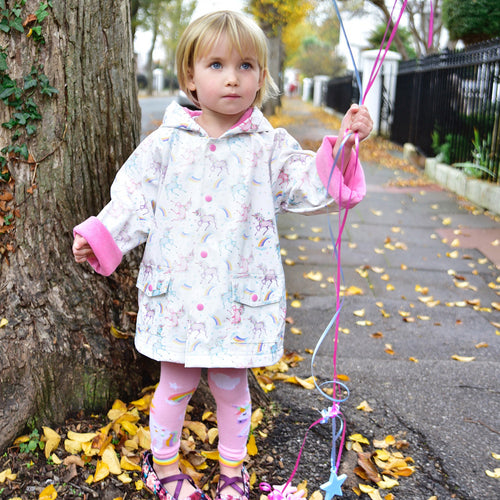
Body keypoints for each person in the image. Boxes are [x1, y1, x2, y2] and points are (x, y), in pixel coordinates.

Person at [72, 10, 372, 500]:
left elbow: (308, 184)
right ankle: (164, 466)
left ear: (261, 79)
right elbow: (132, 201)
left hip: (237, 295)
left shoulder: (269, 146)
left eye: (246, 66)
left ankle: (234, 472)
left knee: (232, 385)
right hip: (180, 295)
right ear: (190, 76)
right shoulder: (166, 144)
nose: (232, 77)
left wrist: (342, 148)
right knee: (175, 384)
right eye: (216, 65)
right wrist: (102, 235)